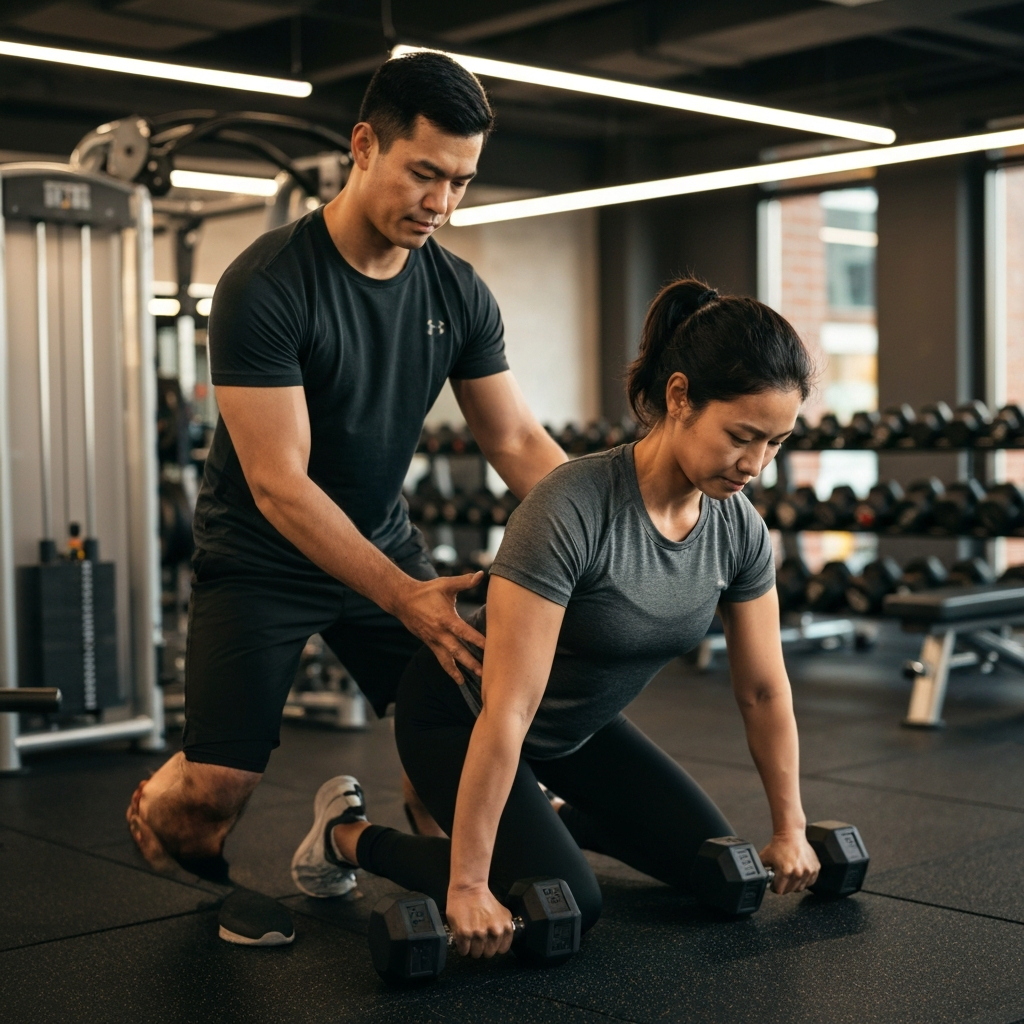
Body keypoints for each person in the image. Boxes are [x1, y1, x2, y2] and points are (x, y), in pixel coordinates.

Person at [125, 51, 567, 944]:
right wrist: (404, 598)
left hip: (381, 537)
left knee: (456, 735)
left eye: (462, 182)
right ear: (364, 146)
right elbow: (280, 485)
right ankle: (165, 791)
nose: (442, 203)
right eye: (425, 173)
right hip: (260, 559)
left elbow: (515, 440)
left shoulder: (456, 290)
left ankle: (385, 857)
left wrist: (618, 525)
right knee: (208, 801)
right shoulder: (267, 284)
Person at [294, 277, 823, 958]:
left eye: (776, 443)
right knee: (558, 908)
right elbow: (507, 708)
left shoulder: (738, 530)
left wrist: (790, 826)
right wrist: (466, 884)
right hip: (463, 714)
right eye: (741, 436)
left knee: (725, 877)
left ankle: (541, 820)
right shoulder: (572, 508)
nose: (756, 465)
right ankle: (348, 835)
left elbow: (762, 689)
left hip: (576, 730)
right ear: (681, 397)